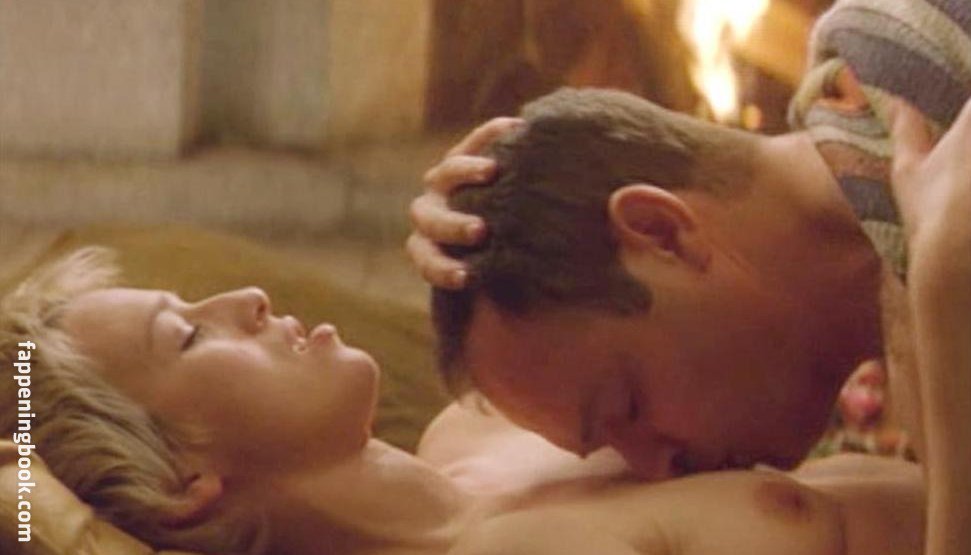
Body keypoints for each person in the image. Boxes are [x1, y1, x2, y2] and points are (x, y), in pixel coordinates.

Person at [406, 0, 971, 551]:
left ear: (661, 232)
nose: (659, 468)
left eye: (629, 406)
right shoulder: (882, 62)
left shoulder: (940, 261)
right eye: (612, 449)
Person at [0, 248, 926, 554]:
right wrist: (46, 518)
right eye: (188, 335)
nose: (244, 297)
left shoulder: (486, 413)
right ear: (184, 480)